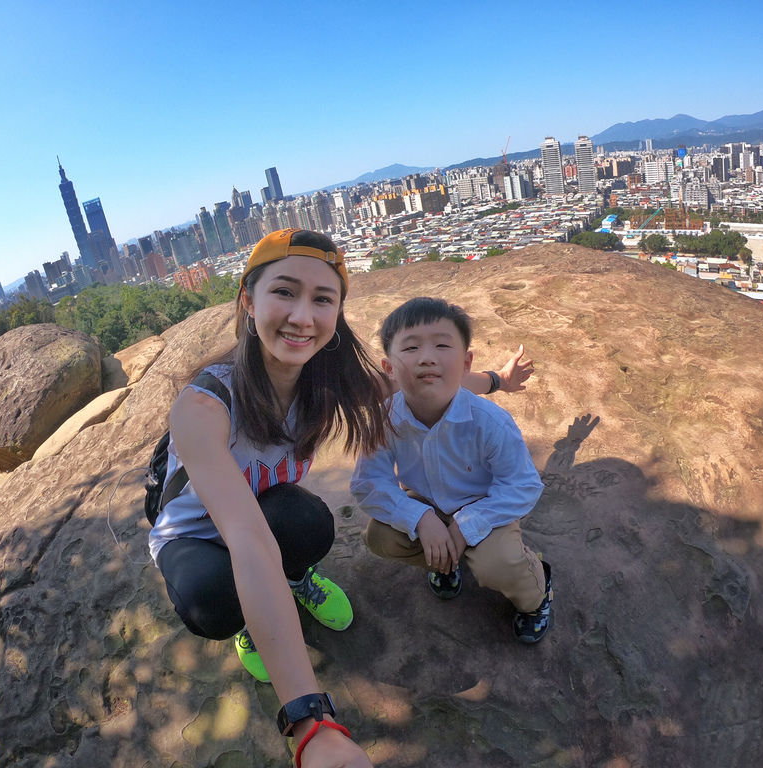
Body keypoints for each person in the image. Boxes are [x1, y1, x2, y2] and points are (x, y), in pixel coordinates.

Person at [150, 231, 532, 766]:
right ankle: (248, 626)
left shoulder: (326, 379)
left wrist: (498, 379)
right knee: (208, 598)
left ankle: (295, 582)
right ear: (247, 300)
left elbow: (424, 381)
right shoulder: (204, 405)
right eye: (284, 291)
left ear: (337, 312)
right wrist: (310, 724)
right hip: (199, 534)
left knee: (314, 526)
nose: (303, 316)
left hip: (263, 509)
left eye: (323, 299)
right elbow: (250, 543)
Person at [350, 297, 552, 644]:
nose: (428, 356)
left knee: (497, 563)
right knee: (379, 536)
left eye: (443, 345)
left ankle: (537, 596)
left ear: (466, 361)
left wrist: (466, 524)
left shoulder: (490, 422)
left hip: (484, 507)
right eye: (411, 347)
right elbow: (369, 482)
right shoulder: (385, 420)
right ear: (389, 367)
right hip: (427, 503)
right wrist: (420, 518)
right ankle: (443, 563)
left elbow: (522, 485)